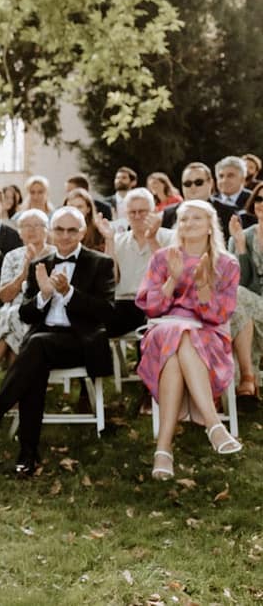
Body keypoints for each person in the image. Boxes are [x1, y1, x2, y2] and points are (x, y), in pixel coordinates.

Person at [0, 206, 115, 477]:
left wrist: (69, 293)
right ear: (52, 231)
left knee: (36, 348)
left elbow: (107, 313)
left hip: (81, 342)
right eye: (60, 229)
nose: (66, 235)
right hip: (44, 341)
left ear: (82, 232)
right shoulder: (41, 265)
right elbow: (25, 313)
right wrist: (44, 295)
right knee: (35, 363)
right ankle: (27, 455)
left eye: (72, 230)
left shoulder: (99, 262)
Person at [135, 200, 242, 480]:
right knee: (177, 332)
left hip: (207, 335)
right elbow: (150, 307)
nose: (189, 224)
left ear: (210, 226)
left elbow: (221, 315)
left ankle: (163, 449)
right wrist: (173, 279)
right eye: (183, 219)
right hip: (162, 330)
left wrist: (204, 288)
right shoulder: (162, 258)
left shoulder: (227, 263)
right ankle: (214, 425)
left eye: (196, 219)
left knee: (181, 337)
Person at [0, 209, 54, 384]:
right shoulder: (13, 257)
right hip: (17, 309)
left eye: (38, 225)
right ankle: (12, 390)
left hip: (46, 308)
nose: (32, 230)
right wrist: (24, 273)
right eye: (26, 226)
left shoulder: (55, 253)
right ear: (19, 232)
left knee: (12, 314)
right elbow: (5, 296)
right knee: (13, 314)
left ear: (47, 229)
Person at [94, 187, 175, 338]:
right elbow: (111, 279)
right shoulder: (117, 239)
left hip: (156, 303)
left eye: (142, 211)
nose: (137, 216)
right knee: (96, 328)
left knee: (151, 327)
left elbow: (169, 273)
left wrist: (152, 240)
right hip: (124, 303)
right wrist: (109, 240)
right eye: (132, 212)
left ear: (153, 212)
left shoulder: (170, 237)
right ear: (126, 214)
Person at [225, 182, 263, 398]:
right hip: (248, 303)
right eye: (259, 199)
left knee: (237, 306)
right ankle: (247, 379)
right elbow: (241, 283)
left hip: (252, 301)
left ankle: (233, 382)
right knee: (239, 307)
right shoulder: (241, 235)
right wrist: (240, 246)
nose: (262, 204)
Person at [64, 187, 106, 252]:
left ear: (88, 209)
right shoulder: (58, 230)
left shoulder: (98, 231)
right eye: (71, 206)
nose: (75, 210)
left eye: (79, 207)